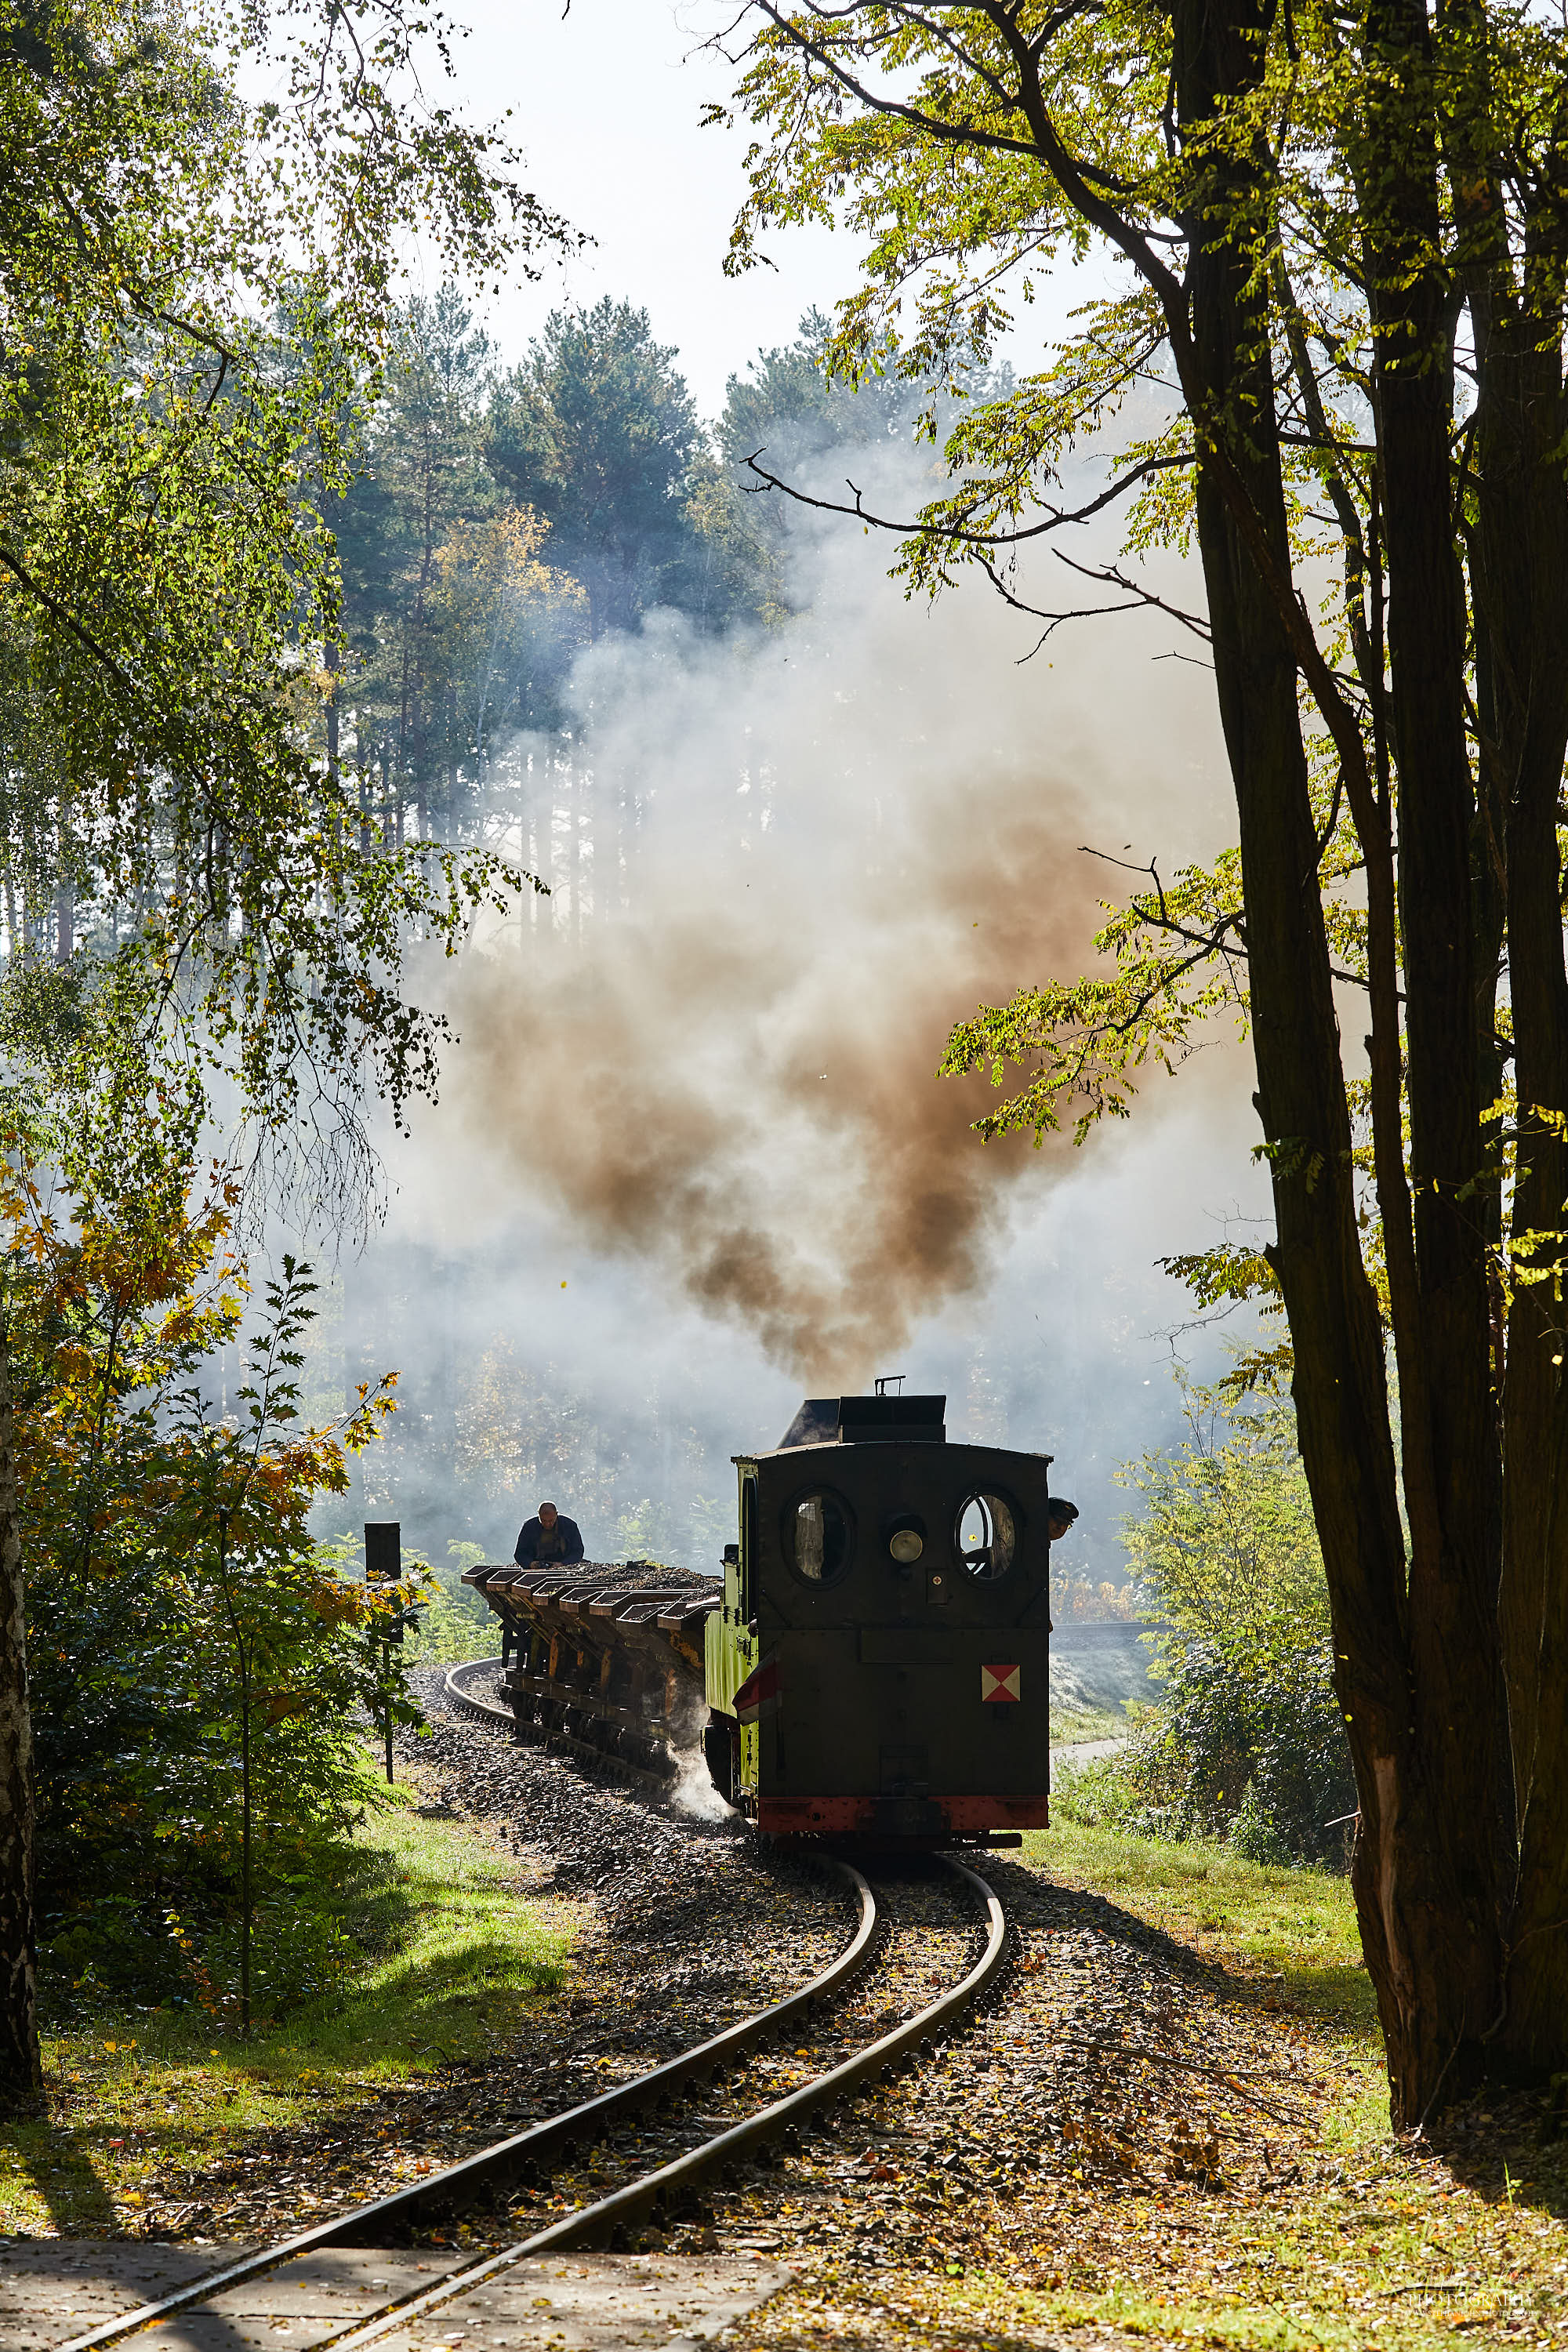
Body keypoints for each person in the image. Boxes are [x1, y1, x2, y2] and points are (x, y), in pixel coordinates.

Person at [514, 1500, 586, 1570]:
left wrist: (563, 1564)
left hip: (563, 1564)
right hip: (536, 1566)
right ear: (539, 1515)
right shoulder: (529, 1527)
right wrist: (530, 1563)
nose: (547, 1524)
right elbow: (520, 1553)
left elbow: (578, 1551)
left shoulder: (569, 1526)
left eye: (551, 1521)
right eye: (543, 1521)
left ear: (556, 1514)